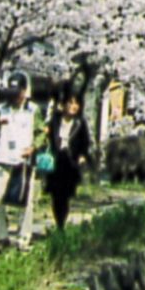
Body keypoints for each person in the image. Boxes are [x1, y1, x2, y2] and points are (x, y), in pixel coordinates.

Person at [0, 72, 44, 251]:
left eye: (19, 91)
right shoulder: (2, 108)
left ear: (25, 91)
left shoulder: (33, 110)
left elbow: (41, 131)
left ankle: (23, 237)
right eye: (13, 91)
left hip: (24, 160)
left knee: (26, 201)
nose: (16, 96)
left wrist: (33, 147)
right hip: (3, 158)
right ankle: (1, 236)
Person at [44, 88, 93, 230]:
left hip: (70, 163)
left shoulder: (80, 123)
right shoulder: (55, 120)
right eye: (70, 102)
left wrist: (82, 156)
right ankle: (59, 221)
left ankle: (61, 224)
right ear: (63, 104)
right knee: (55, 195)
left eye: (76, 103)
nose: (73, 106)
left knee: (65, 195)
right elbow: (48, 137)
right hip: (56, 160)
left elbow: (85, 142)